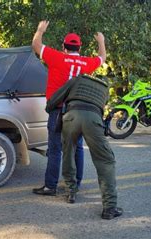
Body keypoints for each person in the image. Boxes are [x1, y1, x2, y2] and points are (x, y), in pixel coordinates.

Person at [31, 20, 106, 196]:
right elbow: (102, 58)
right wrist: (101, 41)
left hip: (57, 110)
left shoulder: (56, 57)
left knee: (55, 148)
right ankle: (76, 184)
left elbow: (36, 44)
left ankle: (50, 186)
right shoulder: (86, 63)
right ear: (79, 48)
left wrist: (40, 30)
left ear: (64, 46)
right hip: (77, 111)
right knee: (77, 147)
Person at [46, 74, 123, 220]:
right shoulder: (105, 88)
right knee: (105, 161)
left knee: (68, 154)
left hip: (71, 117)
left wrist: (49, 107)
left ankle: (71, 193)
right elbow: (101, 108)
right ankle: (109, 208)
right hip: (93, 120)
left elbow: (55, 99)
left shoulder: (77, 79)